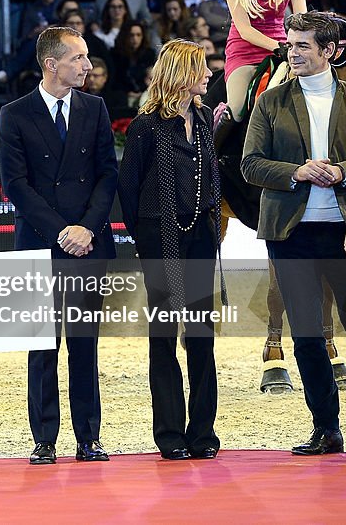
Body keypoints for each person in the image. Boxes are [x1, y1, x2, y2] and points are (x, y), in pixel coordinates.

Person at [241, 12, 346, 458]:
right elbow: (250, 163)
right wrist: (297, 171)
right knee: (306, 332)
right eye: (291, 45)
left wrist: (343, 172)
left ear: (329, 51)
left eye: (303, 45)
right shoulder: (270, 102)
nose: (293, 53)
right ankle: (326, 427)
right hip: (291, 234)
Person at [0, 26, 118, 465]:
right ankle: (44, 438)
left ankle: (89, 437)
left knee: (84, 345)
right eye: (79, 58)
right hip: (39, 244)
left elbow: (108, 174)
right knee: (42, 345)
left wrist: (85, 229)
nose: (88, 66)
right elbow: (16, 185)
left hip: (89, 244)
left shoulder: (95, 108)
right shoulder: (15, 113)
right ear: (51, 65)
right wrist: (61, 232)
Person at [118, 39, 221, 460]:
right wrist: (145, 240)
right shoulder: (146, 126)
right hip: (159, 239)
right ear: (183, 73)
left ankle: (203, 434)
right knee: (163, 337)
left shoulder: (202, 118)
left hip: (199, 238)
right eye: (202, 68)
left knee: (201, 337)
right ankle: (170, 435)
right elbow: (128, 187)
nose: (210, 74)